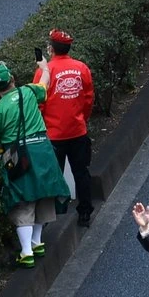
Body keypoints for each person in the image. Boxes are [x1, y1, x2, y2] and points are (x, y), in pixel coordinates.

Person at [0, 63, 71, 267]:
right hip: (43, 151)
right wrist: (44, 67)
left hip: (20, 156)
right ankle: (37, 241)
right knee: (43, 194)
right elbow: (44, 85)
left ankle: (26, 252)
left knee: (23, 200)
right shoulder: (29, 91)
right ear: (12, 79)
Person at [35, 31, 96, 227]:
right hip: (78, 131)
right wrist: (82, 119)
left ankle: (48, 218)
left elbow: (39, 102)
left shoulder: (45, 72)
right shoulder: (81, 68)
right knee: (81, 172)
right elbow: (88, 98)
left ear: (51, 49)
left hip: (53, 134)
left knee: (53, 175)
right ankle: (85, 212)